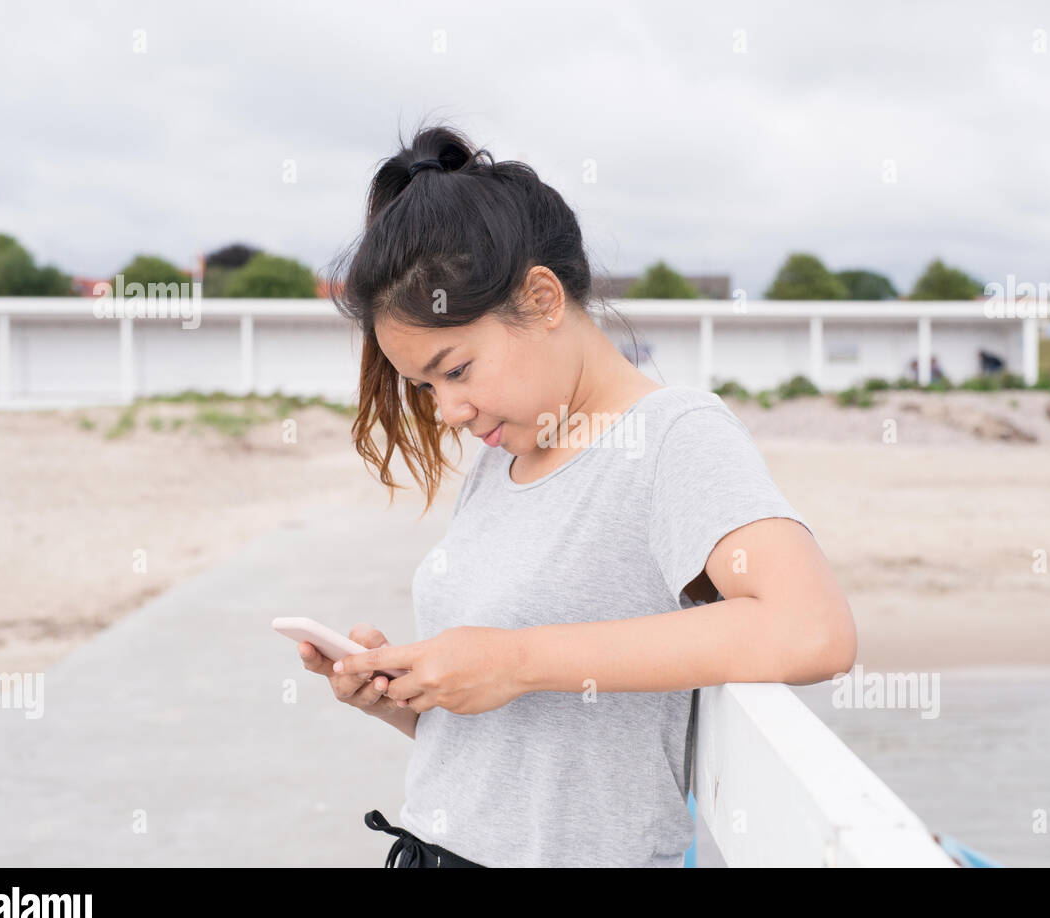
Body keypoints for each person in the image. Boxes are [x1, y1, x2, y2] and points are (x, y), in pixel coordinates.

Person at [300, 124, 857, 868]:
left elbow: (813, 629)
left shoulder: (674, 436)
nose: (448, 411)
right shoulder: (501, 465)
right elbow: (519, 746)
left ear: (541, 297)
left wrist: (515, 659)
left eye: (456, 369)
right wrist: (402, 694)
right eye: (426, 386)